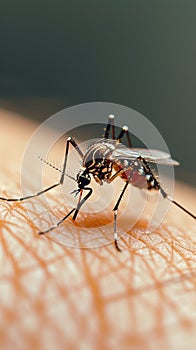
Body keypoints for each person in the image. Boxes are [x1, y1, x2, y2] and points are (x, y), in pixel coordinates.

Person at [0, 108, 196, 350]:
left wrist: (115, 213)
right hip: (115, 161)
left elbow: (116, 155)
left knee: (118, 131)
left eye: (81, 184)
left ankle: (167, 202)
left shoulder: (101, 165)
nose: (81, 188)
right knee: (99, 133)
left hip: (136, 172)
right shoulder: (88, 164)